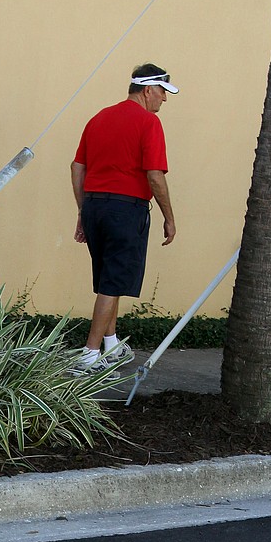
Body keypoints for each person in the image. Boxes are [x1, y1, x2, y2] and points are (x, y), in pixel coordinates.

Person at [70, 63, 178, 372]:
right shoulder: (149, 123)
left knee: (109, 279)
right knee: (113, 282)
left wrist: (83, 209)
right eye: (162, 93)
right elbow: (155, 176)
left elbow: (77, 167)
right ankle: (89, 355)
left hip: (95, 207)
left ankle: (111, 345)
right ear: (148, 90)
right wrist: (169, 217)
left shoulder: (98, 118)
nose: (164, 100)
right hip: (125, 209)